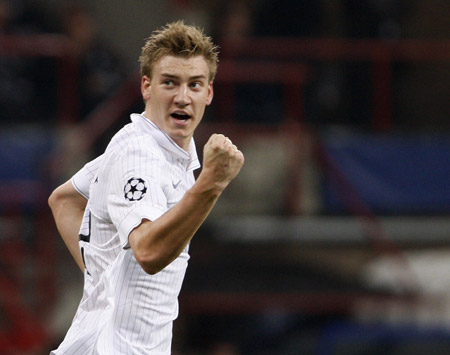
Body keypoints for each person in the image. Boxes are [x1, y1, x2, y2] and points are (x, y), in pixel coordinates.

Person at [48, 21, 244, 354]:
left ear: (208, 93)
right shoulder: (139, 154)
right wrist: (212, 184)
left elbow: (63, 200)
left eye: (194, 84)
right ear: (146, 87)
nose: (182, 97)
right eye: (170, 82)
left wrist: (101, 276)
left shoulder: (157, 152)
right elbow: (149, 253)